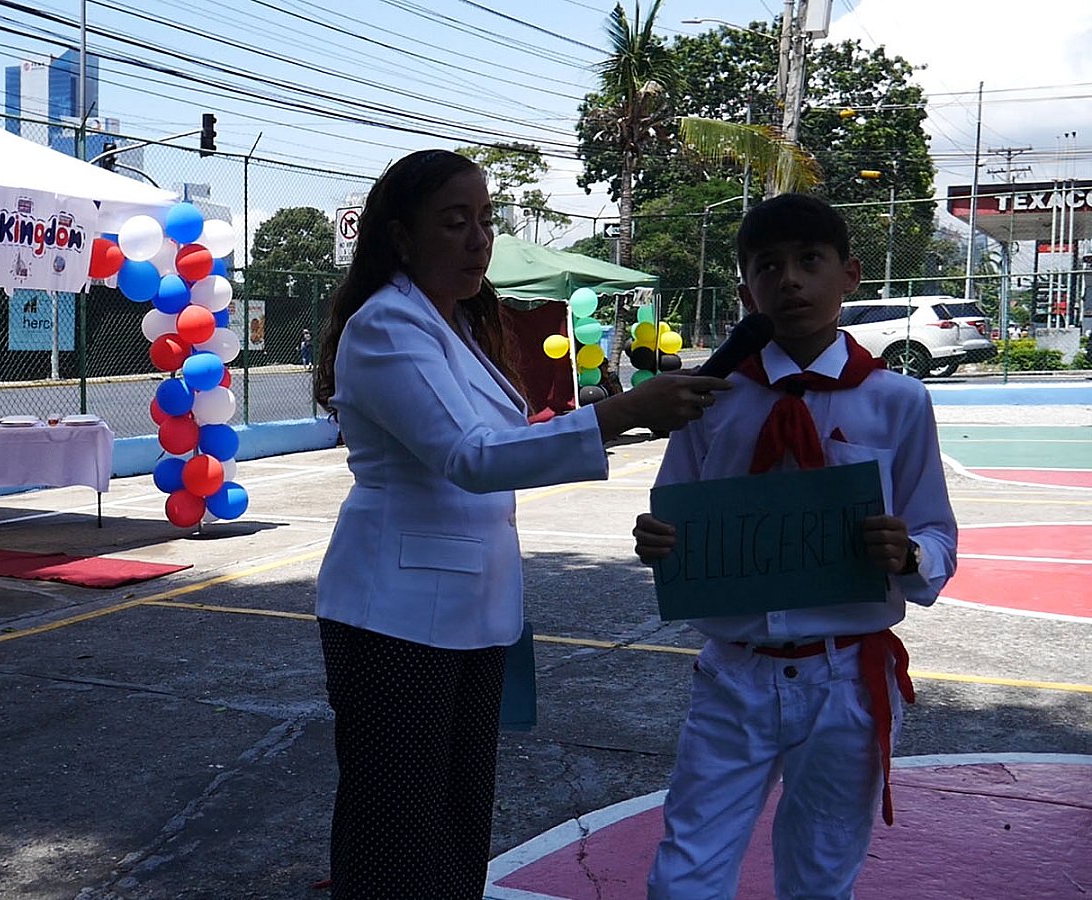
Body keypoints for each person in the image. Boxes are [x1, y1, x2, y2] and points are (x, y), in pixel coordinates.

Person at [312, 148, 730, 899]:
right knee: (395, 829)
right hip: (396, 615)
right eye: (455, 222)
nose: (479, 240)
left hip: (470, 608)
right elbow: (470, 456)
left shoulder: (452, 325)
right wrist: (620, 414)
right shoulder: (386, 326)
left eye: (485, 220)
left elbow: (495, 445)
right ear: (401, 236)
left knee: (457, 821)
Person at [632, 193, 958, 898]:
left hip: (845, 679)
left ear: (851, 274)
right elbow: (674, 513)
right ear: (746, 290)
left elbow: (937, 536)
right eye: (768, 266)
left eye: (810, 261)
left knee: (819, 878)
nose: (790, 281)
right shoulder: (709, 400)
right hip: (734, 674)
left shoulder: (897, 401)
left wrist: (907, 554)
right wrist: (657, 538)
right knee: (683, 877)